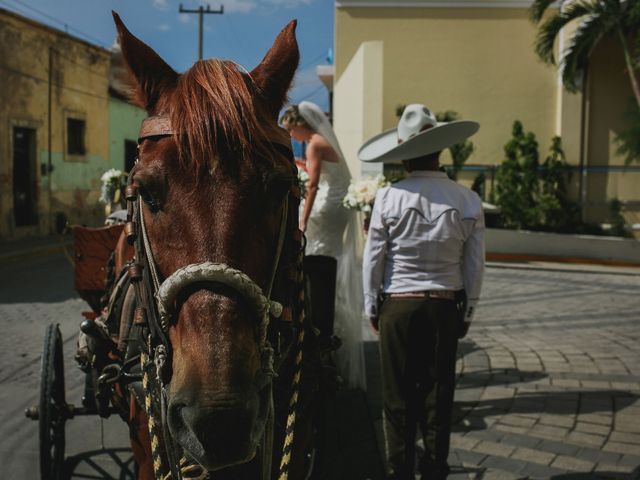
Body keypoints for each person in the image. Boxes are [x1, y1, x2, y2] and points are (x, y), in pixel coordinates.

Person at [359, 104, 485, 479]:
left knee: (397, 397)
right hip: (445, 305)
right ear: (439, 149)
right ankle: (435, 469)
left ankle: (399, 470)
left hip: (397, 305)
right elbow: (474, 265)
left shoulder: (388, 198)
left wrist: (371, 305)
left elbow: (373, 260)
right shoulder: (467, 200)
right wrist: (469, 310)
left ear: (404, 156)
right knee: (438, 394)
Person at [280, 101, 366, 389]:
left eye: (291, 130)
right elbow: (322, 173)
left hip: (325, 208)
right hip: (337, 205)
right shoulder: (321, 141)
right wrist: (299, 165)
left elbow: (314, 185)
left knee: (315, 255)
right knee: (323, 255)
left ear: (300, 124)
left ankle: (316, 322)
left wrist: (303, 221)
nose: (292, 136)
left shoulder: (314, 143)